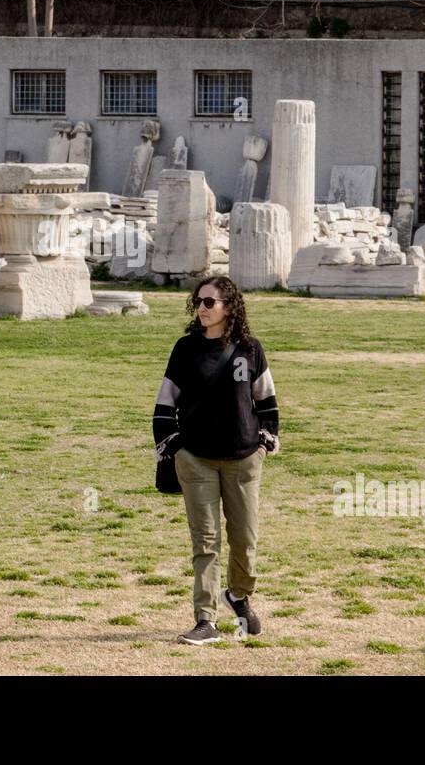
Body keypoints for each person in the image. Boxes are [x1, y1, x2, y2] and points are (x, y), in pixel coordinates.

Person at [153, 275, 279, 645]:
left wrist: (263, 444)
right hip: (197, 460)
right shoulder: (185, 349)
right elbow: (164, 404)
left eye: (209, 302)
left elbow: (267, 402)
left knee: (245, 540)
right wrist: (175, 447)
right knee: (205, 542)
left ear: (229, 306)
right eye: (198, 303)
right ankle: (205, 619)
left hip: (243, 459)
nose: (202, 309)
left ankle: (238, 595)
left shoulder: (250, 349)